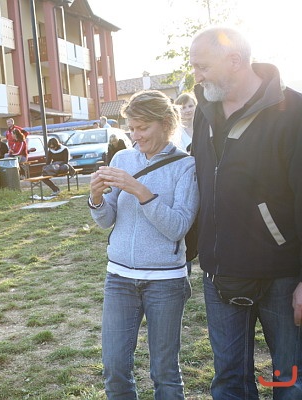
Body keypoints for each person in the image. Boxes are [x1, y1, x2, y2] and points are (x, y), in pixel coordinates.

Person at [189, 26, 302, 399]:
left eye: (202, 66)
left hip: (282, 276)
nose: (196, 76)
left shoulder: (294, 111)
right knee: (228, 382)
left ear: (234, 60)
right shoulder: (204, 111)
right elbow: (200, 181)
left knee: (290, 380)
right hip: (220, 272)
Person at [89, 90, 198, 399]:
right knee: (114, 368)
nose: (135, 136)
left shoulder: (186, 166)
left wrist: (140, 191)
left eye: (143, 128)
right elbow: (106, 220)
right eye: (132, 128)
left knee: (165, 372)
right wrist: (96, 198)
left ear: (165, 123)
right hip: (119, 278)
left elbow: (177, 227)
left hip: (166, 281)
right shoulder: (122, 158)